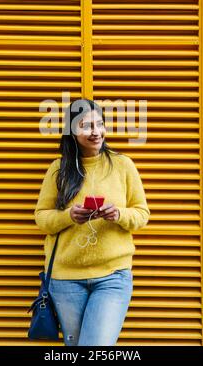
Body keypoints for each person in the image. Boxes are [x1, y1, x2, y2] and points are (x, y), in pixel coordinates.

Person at [34, 98, 150, 346]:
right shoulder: (58, 169)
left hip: (112, 276)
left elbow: (142, 213)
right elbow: (42, 218)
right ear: (72, 131)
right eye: (86, 126)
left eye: (100, 124)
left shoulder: (123, 165)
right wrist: (69, 216)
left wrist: (118, 214)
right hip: (65, 279)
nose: (96, 132)